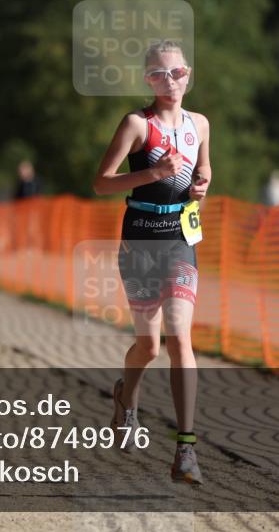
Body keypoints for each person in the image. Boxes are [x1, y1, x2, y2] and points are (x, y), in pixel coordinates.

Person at [93, 39, 210, 485]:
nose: (171, 81)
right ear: (148, 79)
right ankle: (125, 397)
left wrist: (200, 184)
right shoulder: (136, 125)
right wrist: (153, 174)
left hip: (181, 238)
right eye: (161, 74)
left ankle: (186, 450)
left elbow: (205, 170)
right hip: (140, 241)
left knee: (180, 337)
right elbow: (101, 183)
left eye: (178, 72)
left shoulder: (199, 124)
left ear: (188, 74)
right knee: (150, 347)